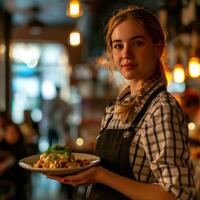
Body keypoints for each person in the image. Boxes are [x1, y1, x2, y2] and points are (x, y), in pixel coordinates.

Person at [47, 5, 196, 199]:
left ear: (157, 48)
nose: (126, 53)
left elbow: (177, 194)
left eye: (137, 43)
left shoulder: (161, 109)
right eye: (118, 45)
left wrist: (101, 175)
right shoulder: (115, 108)